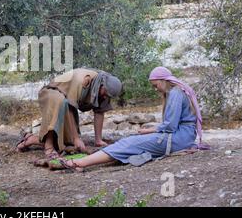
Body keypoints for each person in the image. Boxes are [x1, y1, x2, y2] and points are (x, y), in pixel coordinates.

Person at [52, 66, 203, 171]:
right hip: (183, 136)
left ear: (163, 80)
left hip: (179, 138)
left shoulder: (175, 93)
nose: (155, 89)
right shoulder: (175, 92)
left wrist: (148, 131)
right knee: (129, 143)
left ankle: (79, 162)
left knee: (130, 142)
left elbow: (170, 127)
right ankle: (85, 162)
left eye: (156, 85)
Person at [16, 68, 123, 159]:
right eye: (105, 94)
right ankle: (48, 146)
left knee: (66, 143)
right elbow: (71, 107)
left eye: (108, 96)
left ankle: (30, 139)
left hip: (65, 102)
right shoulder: (82, 80)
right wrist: (76, 138)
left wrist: (98, 140)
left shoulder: (105, 88)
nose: (105, 97)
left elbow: (99, 112)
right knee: (60, 100)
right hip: (51, 93)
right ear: (101, 85)